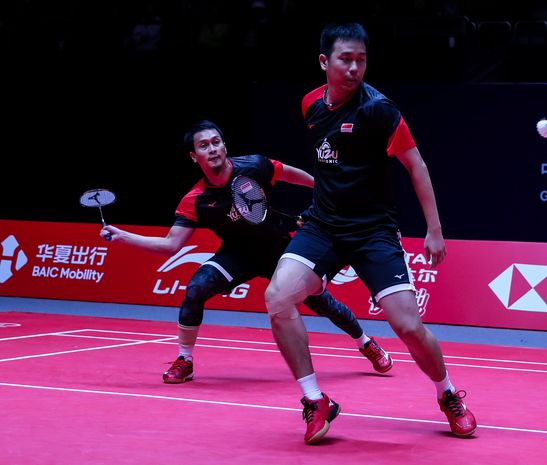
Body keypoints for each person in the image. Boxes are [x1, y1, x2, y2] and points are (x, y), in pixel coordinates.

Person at [264, 23, 477, 444]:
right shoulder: (311, 105)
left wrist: (434, 230)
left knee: (409, 326)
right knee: (277, 297)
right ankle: (314, 400)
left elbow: (417, 166)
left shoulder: (379, 110)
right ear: (325, 62)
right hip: (323, 226)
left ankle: (448, 394)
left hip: (373, 231)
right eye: (346, 59)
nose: (354, 68)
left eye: (361, 60)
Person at [100, 119, 393, 384]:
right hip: (238, 254)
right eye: (204, 146)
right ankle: (185, 359)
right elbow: (170, 245)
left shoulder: (254, 166)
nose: (212, 149)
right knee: (196, 289)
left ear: (224, 145)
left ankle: (364, 342)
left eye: (216, 142)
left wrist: (325, 191)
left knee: (322, 303)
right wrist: (123, 237)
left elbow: (290, 174)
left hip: (281, 250)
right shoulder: (195, 200)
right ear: (194, 156)